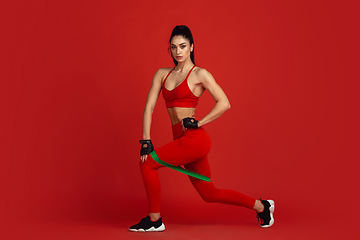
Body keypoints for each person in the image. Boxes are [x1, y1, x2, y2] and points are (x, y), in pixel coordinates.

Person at [129, 25, 275, 232]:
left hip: (194, 140)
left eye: (182, 46)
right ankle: (263, 206)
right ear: (169, 50)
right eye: (173, 47)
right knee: (209, 194)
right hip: (180, 140)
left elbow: (224, 102)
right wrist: (146, 139)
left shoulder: (200, 74)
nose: (178, 51)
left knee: (147, 165)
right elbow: (149, 107)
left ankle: (154, 221)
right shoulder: (162, 74)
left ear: (191, 47)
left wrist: (199, 123)